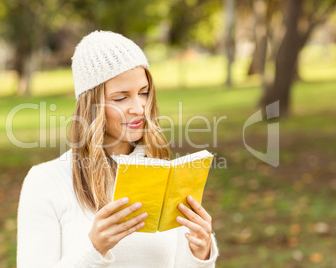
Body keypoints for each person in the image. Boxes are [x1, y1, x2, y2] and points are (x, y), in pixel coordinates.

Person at [17, 30, 219, 267]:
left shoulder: (163, 176)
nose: (139, 108)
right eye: (121, 98)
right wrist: (94, 248)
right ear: (90, 105)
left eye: (143, 93)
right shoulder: (46, 181)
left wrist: (201, 253)